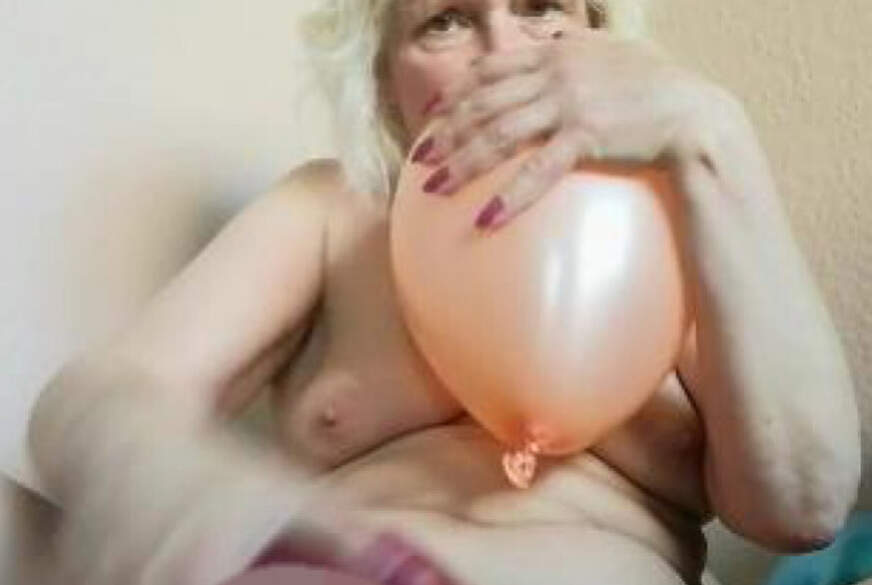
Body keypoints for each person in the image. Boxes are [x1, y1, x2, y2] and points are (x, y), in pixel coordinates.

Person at [27, 1, 862, 584]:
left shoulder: (682, 226)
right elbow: (97, 395)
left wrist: (713, 131)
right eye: (446, 21)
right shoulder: (332, 211)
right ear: (385, 85)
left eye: (540, 7)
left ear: (600, 38)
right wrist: (194, 496)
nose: (505, 54)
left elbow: (804, 506)